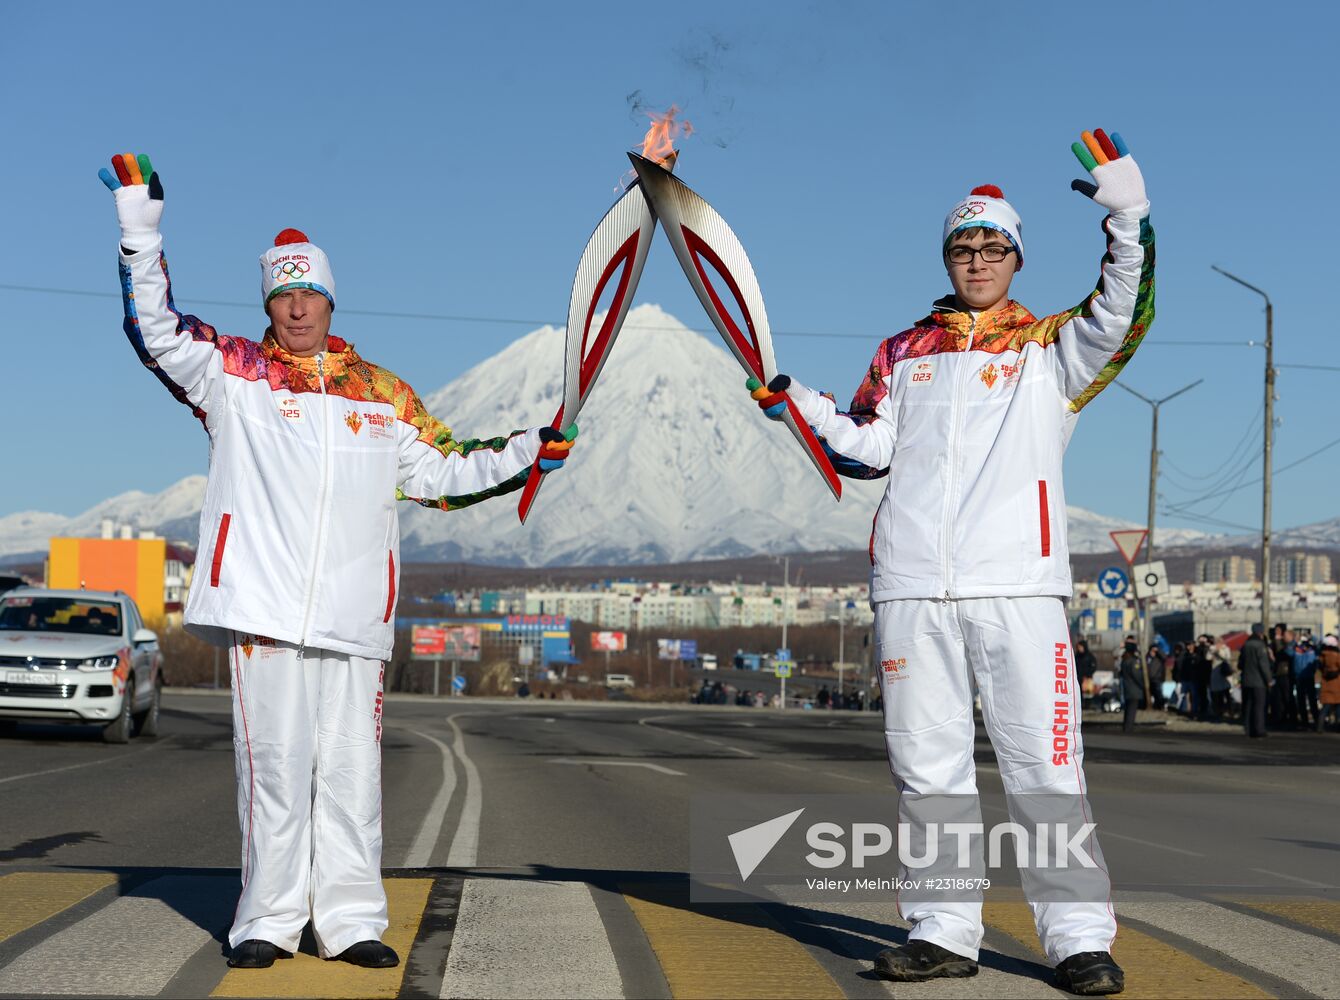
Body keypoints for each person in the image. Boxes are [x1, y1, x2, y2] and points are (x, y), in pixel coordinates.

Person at [100, 153, 576, 970]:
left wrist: (532, 448)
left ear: (329, 298)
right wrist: (140, 229)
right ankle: (268, 920)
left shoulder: (380, 394)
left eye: (308, 293)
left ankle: (352, 919)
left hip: (354, 614)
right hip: (266, 609)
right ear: (269, 304)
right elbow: (156, 331)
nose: (295, 309)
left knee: (351, 774)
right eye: (282, 296)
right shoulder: (233, 377)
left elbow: (446, 471)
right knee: (275, 770)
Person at [748, 127, 1151, 996]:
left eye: (992, 246)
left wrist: (1129, 220)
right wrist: (798, 403)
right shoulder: (902, 353)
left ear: (1015, 256)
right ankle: (942, 930)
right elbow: (865, 450)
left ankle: (1077, 937)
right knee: (926, 764)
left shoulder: (1052, 347)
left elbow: (1125, 311)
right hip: (913, 585)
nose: (977, 259)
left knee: (1044, 766)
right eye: (963, 247)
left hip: (1017, 584)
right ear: (947, 256)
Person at [1238, 624, 1273, 738]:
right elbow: (1263, 665)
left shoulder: (1245, 645)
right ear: (1261, 633)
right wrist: (1269, 679)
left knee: (1248, 705)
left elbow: (1240, 664)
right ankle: (1259, 729)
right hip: (1258, 681)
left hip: (1246, 680)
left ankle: (1248, 728)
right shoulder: (1260, 646)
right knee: (1259, 705)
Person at [1292, 635, 1318, 730]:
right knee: (1306, 701)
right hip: (1304, 678)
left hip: (1303, 678)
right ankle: (1310, 721)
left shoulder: (1298, 652)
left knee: (1307, 701)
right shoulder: (1310, 652)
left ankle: (1310, 721)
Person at [1119, 639, 1145, 734]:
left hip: (1127, 688)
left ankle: (1126, 726)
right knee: (1131, 710)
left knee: (1128, 709)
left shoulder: (1124, 659)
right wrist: (1143, 685)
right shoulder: (1133, 661)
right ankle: (1128, 728)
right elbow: (1137, 675)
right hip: (1134, 689)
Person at [1317, 636, 1340, 732]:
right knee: (1338, 706)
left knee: (1325, 707)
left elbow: (1319, 669)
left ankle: (1320, 726)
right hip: (1337, 684)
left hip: (1326, 683)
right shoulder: (1337, 655)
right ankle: (1337, 726)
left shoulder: (1321, 656)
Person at [1145, 643, 1166, 710]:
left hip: (1157, 678)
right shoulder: (1147, 657)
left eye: (1154, 651)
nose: (1153, 652)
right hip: (1148, 679)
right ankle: (1149, 706)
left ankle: (1159, 706)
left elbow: (1165, 657)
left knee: (1158, 694)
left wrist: (1158, 651)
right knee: (1149, 694)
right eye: (1152, 650)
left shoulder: (1159, 657)